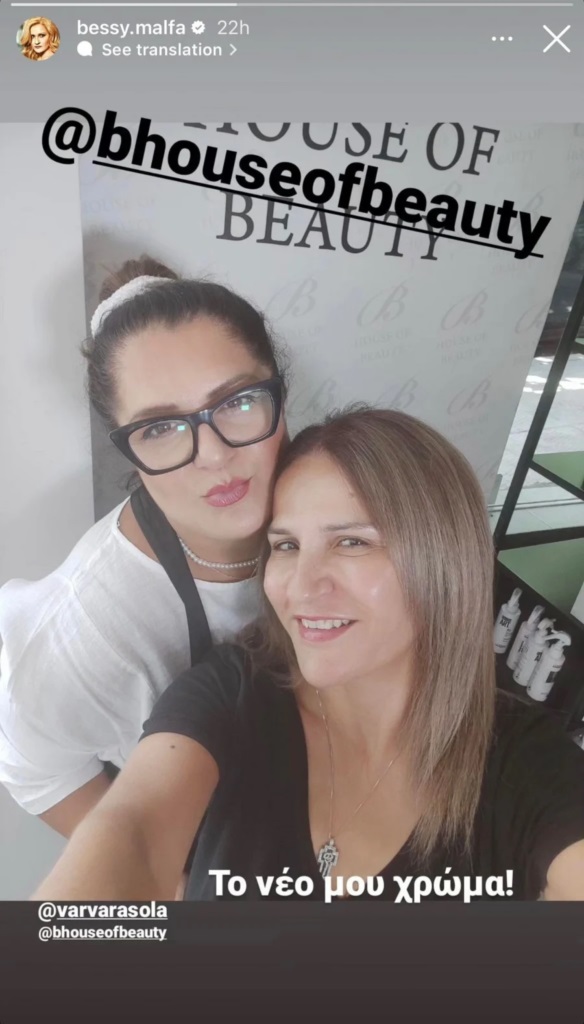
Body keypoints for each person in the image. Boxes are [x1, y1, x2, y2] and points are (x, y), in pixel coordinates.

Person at [33, 407, 584, 902]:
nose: (301, 585)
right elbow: (132, 833)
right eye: (287, 546)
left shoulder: (525, 762)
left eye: (352, 542)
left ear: (445, 560)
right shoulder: (233, 693)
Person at [0, 257, 288, 839]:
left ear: (278, 392)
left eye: (237, 401)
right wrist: (171, 879)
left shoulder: (345, 502)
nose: (214, 456)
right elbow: (34, 769)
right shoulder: (87, 627)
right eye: (160, 428)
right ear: (126, 448)